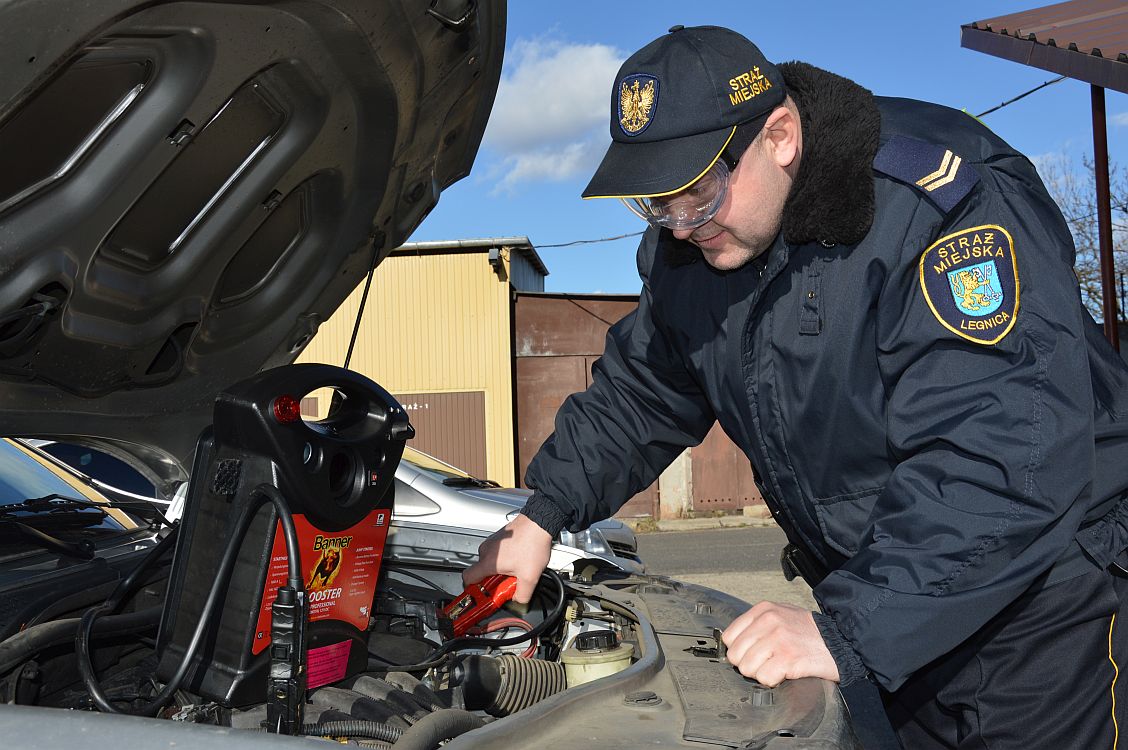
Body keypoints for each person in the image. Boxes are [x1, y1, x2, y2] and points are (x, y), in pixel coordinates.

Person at [463, 24, 1128, 749]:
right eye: (658, 202)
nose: (681, 226)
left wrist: (851, 628)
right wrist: (541, 514)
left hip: (1045, 605)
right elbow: (641, 391)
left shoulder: (935, 207)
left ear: (779, 136)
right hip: (898, 607)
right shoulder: (700, 250)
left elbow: (1004, 450)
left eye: (698, 193)